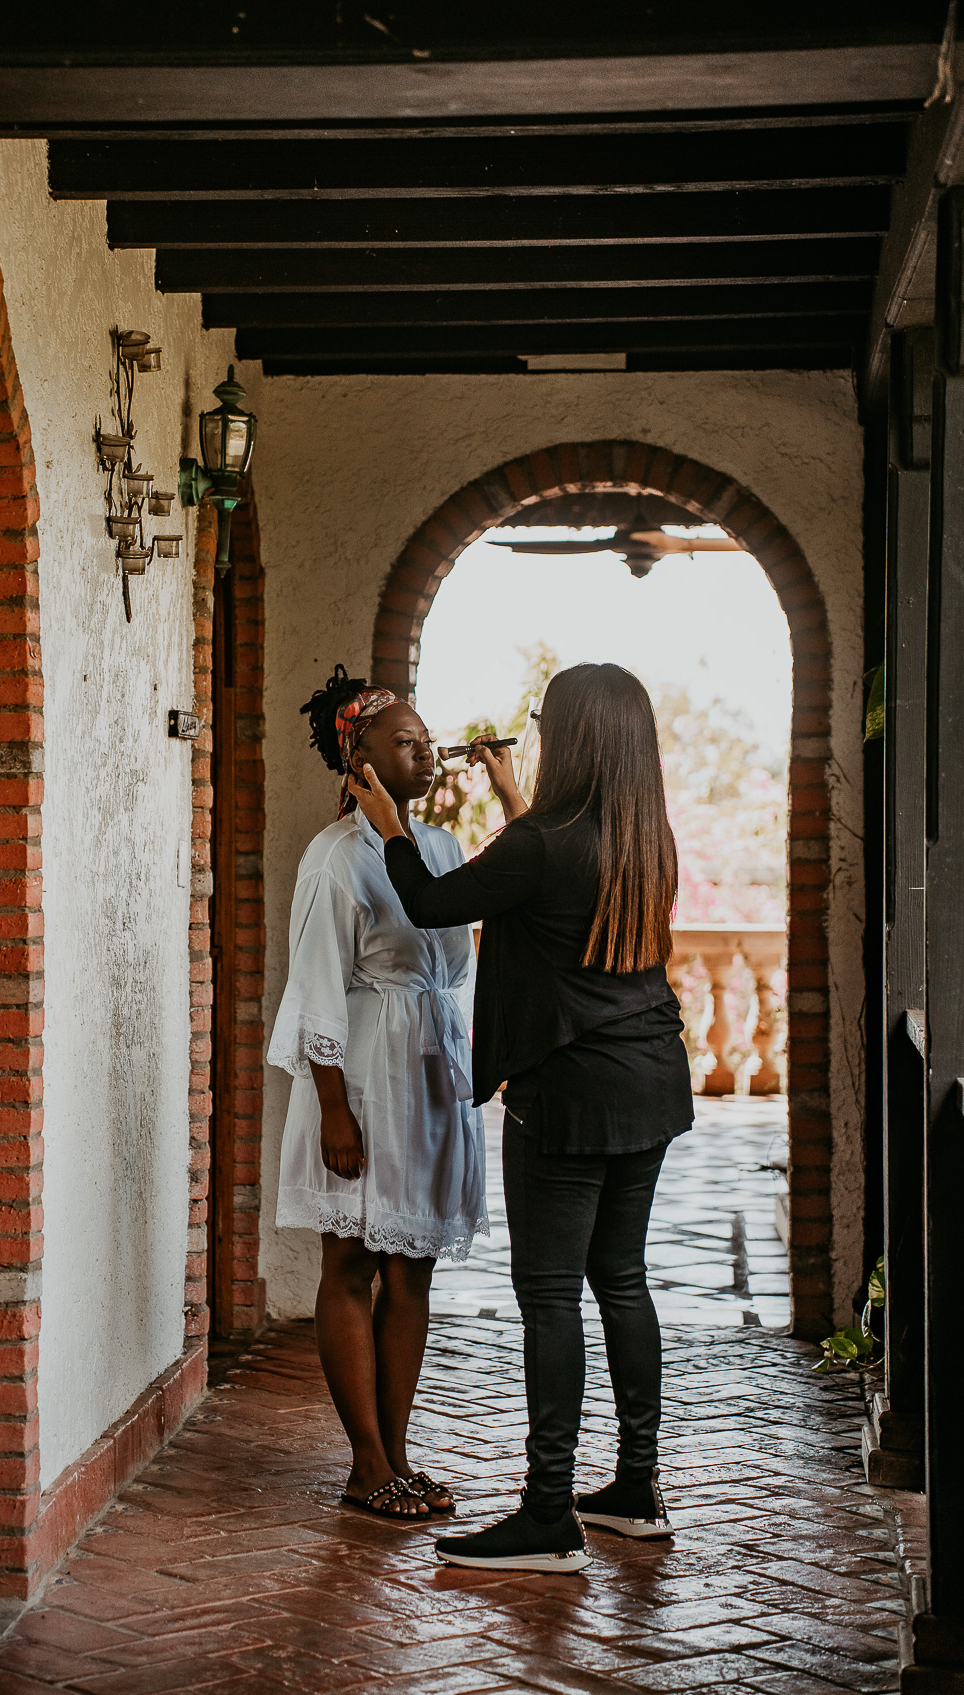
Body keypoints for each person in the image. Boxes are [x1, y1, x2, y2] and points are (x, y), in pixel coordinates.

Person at [350, 662, 692, 1573]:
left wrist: (392, 828)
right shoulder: (643, 835)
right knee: (621, 1280)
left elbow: (430, 903)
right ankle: (636, 1488)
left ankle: (546, 1514)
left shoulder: (542, 842)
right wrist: (508, 794)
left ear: (571, 737)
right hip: (653, 1079)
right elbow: (551, 878)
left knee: (549, 1297)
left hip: (570, 1094)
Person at [268, 665, 488, 1520]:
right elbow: (316, 985)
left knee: (414, 1267)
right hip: (360, 1077)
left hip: (428, 1074)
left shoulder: (433, 847)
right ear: (355, 754)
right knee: (351, 1262)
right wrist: (331, 1106)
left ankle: (399, 1452)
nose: (427, 755)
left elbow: (455, 962)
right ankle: (365, 1462)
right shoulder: (332, 861)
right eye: (406, 743)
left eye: (428, 743)